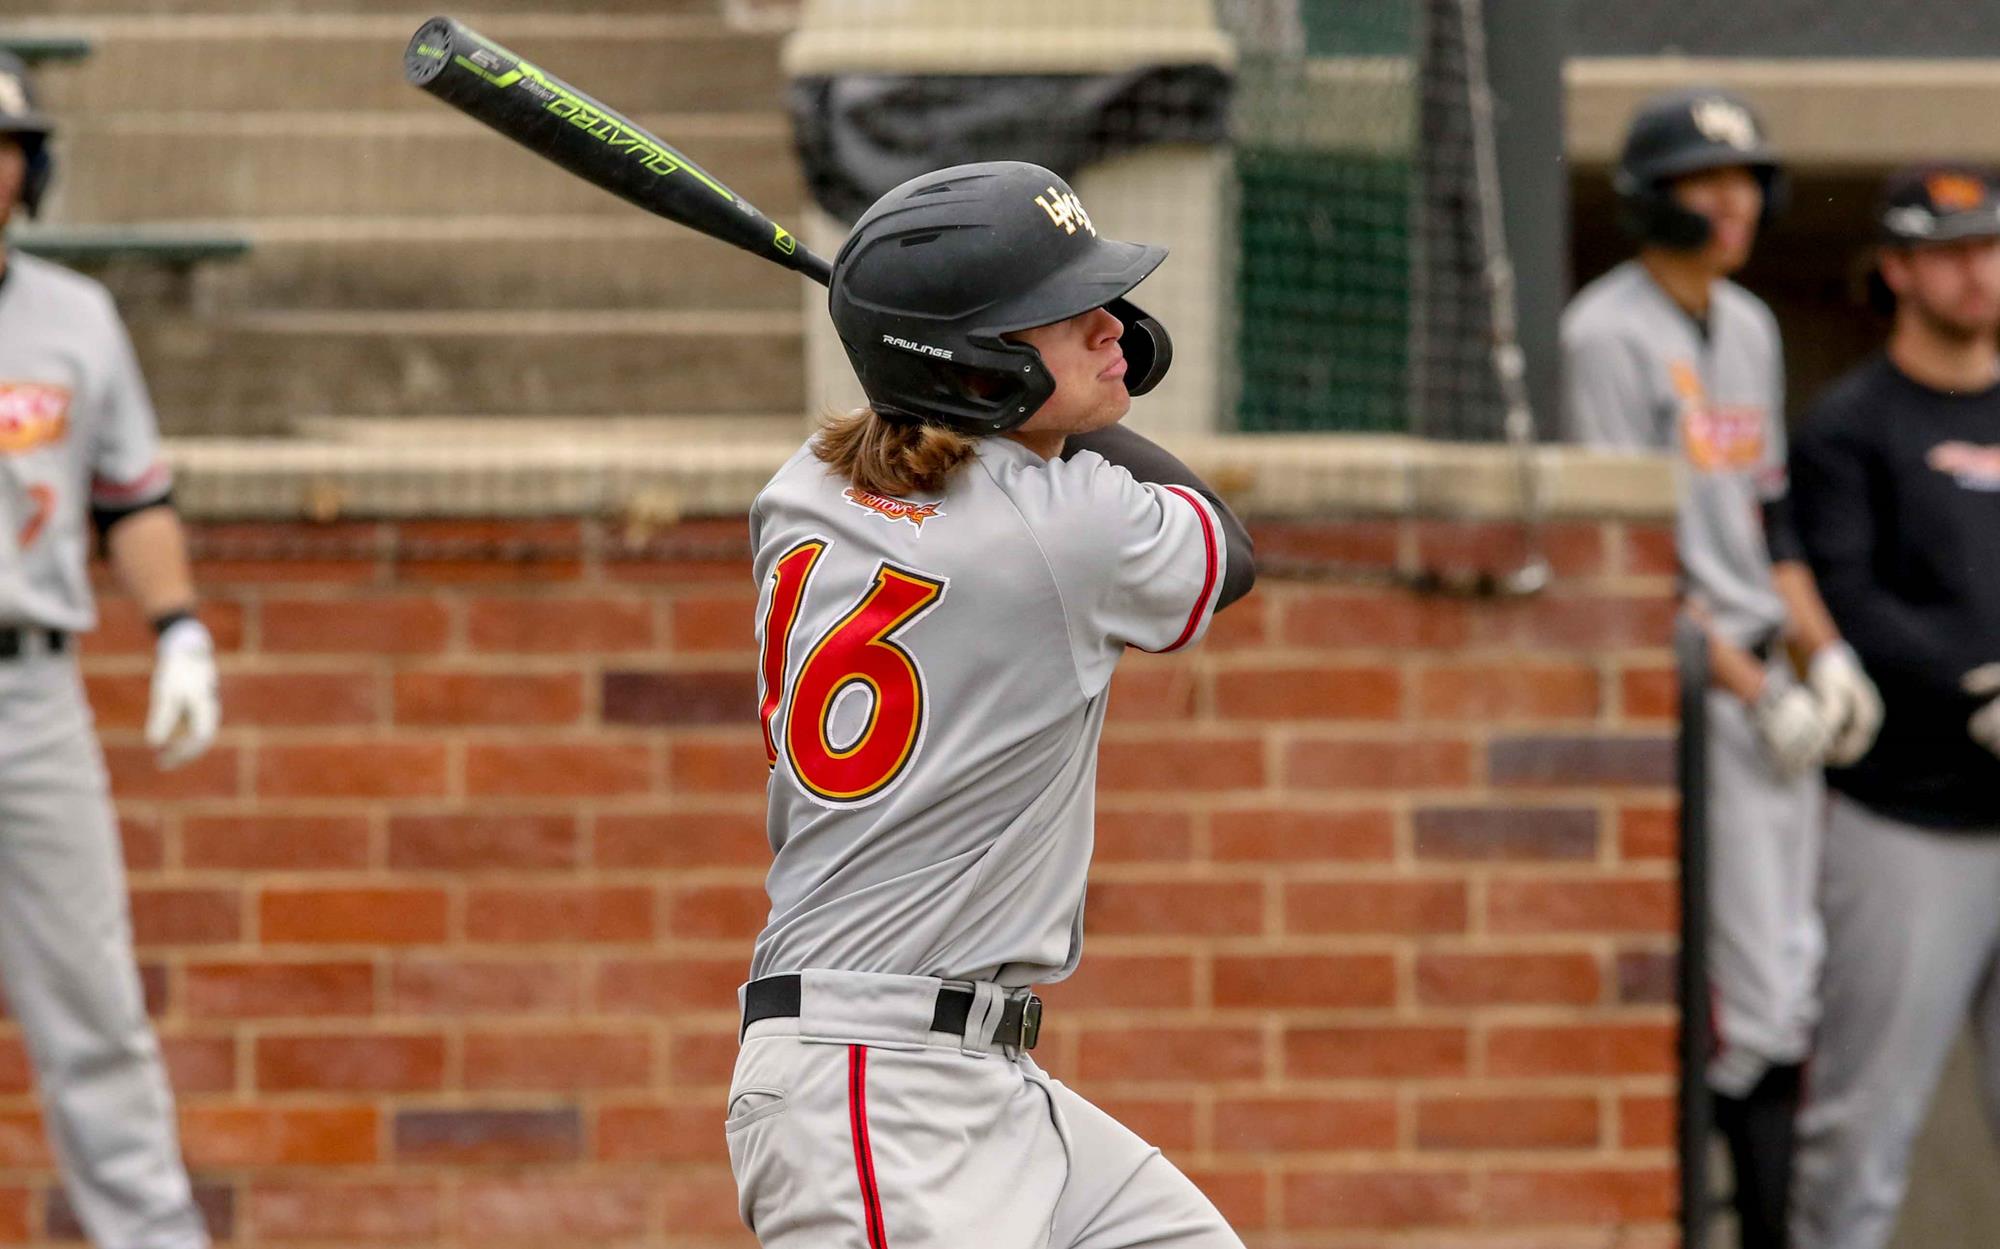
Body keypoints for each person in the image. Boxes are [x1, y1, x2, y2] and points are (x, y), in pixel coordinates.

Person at [725, 161, 1255, 1248]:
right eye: (1063, 313)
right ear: (973, 367)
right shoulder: (1067, 530)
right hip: (877, 1091)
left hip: (964, 1073)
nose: (1112, 326)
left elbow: (942, 460)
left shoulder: (804, 488)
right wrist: (1054, 407)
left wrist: (983, 377)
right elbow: (1227, 550)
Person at [1559, 88, 1881, 1249]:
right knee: (1741, 1000)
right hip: (1689, 686)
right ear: (1654, 198)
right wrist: (1755, 689)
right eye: (1705, 181)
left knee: (1791, 980)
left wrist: (1823, 654)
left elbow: (1767, 515)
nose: (1731, 202)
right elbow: (1626, 558)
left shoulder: (1746, 324)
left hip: (1766, 684)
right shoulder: (1603, 332)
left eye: (1742, 179)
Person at [0, 51, 217, 1249]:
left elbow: (131, 497)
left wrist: (178, 627)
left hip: (32, 694)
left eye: (5, 148)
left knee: (96, 1011)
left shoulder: (73, 317)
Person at [1788, 165, 2000, 1249]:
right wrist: (1976, 683)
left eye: (1991, 248)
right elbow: (1845, 594)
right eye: (1951, 252)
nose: (1978, 273)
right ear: (1898, 270)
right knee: (1860, 1128)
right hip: (1906, 820)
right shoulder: (1848, 425)